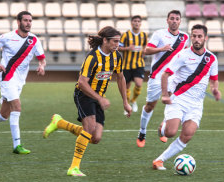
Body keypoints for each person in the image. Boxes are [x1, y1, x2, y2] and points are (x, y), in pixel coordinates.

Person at [42, 26, 132, 177]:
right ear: (105, 40)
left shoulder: (117, 56)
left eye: (119, 42)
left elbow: (121, 77)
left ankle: (60, 123)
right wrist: (100, 98)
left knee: (95, 138)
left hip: (98, 97)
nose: (118, 45)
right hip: (84, 94)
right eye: (115, 41)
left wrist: (125, 102)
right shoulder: (93, 57)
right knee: (89, 128)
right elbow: (82, 83)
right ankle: (74, 168)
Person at [0, 11, 46, 154]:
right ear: (18, 22)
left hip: (20, 80)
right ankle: (16, 145)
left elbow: (42, 58)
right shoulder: (7, 37)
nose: (28, 23)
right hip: (7, 77)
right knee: (17, 107)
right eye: (25, 20)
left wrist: (42, 66)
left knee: (3, 115)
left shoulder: (34, 40)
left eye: (30, 20)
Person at [152, 24, 221, 170]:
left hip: (196, 104)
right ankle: (162, 128)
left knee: (188, 134)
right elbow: (165, 74)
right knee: (170, 132)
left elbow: (214, 79)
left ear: (205, 38)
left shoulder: (212, 59)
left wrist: (215, 90)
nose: (196, 39)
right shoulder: (182, 55)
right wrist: (165, 95)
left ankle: (159, 160)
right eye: (194, 36)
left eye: (199, 36)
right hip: (178, 99)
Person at [136, 10, 189, 148]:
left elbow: (186, 55)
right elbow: (146, 50)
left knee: (173, 103)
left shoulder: (185, 37)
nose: (174, 21)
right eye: (172, 18)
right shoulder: (159, 34)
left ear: (180, 21)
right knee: (150, 106)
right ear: (167, 20)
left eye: (177, 19)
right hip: (157, 76)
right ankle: (142, 132)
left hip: (174, 78)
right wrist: (162, 49)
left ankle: (163, 128)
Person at [118, 15, 148, 114]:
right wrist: (127, 48)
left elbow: (145, 47)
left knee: (139, 84)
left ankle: (133, 101)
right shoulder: (126, 35)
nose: (136, 23)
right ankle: (126, 105)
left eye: (138, 21)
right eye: (135, 21)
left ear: (140, 23)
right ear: (131, 22)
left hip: (139, 64)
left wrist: (144, 51)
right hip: (126, 65)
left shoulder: (144, 35)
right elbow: (118, 48)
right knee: (126, 87)